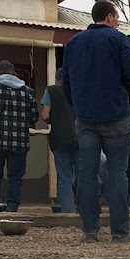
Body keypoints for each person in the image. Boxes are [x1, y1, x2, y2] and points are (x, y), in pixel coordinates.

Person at [62, 0, 130, 243]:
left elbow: (66, 83)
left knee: (86, 172)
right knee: (117, 172)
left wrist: (79, 105)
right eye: (117, 17)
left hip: (85, 118)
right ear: (109, 17)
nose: (118, 22)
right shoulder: (117, 39)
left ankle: (90, 231)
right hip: (116, 115)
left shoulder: (73, 42)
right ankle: (120, 231)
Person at [0, 60, 39, 213]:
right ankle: (12, 205)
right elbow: (34, 117)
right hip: (19, 141)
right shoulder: (27, 91)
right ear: (13, 72)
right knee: (15, 175)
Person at [40, 68, 78, 213]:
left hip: (59, 138)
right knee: (84, 175)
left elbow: (44, 116)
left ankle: (68, 212)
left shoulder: (51, 91)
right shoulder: (80, 90)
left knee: (64, 177)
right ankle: (86, 209)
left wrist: (55, 120)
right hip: (81, 137)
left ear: (57, 79)